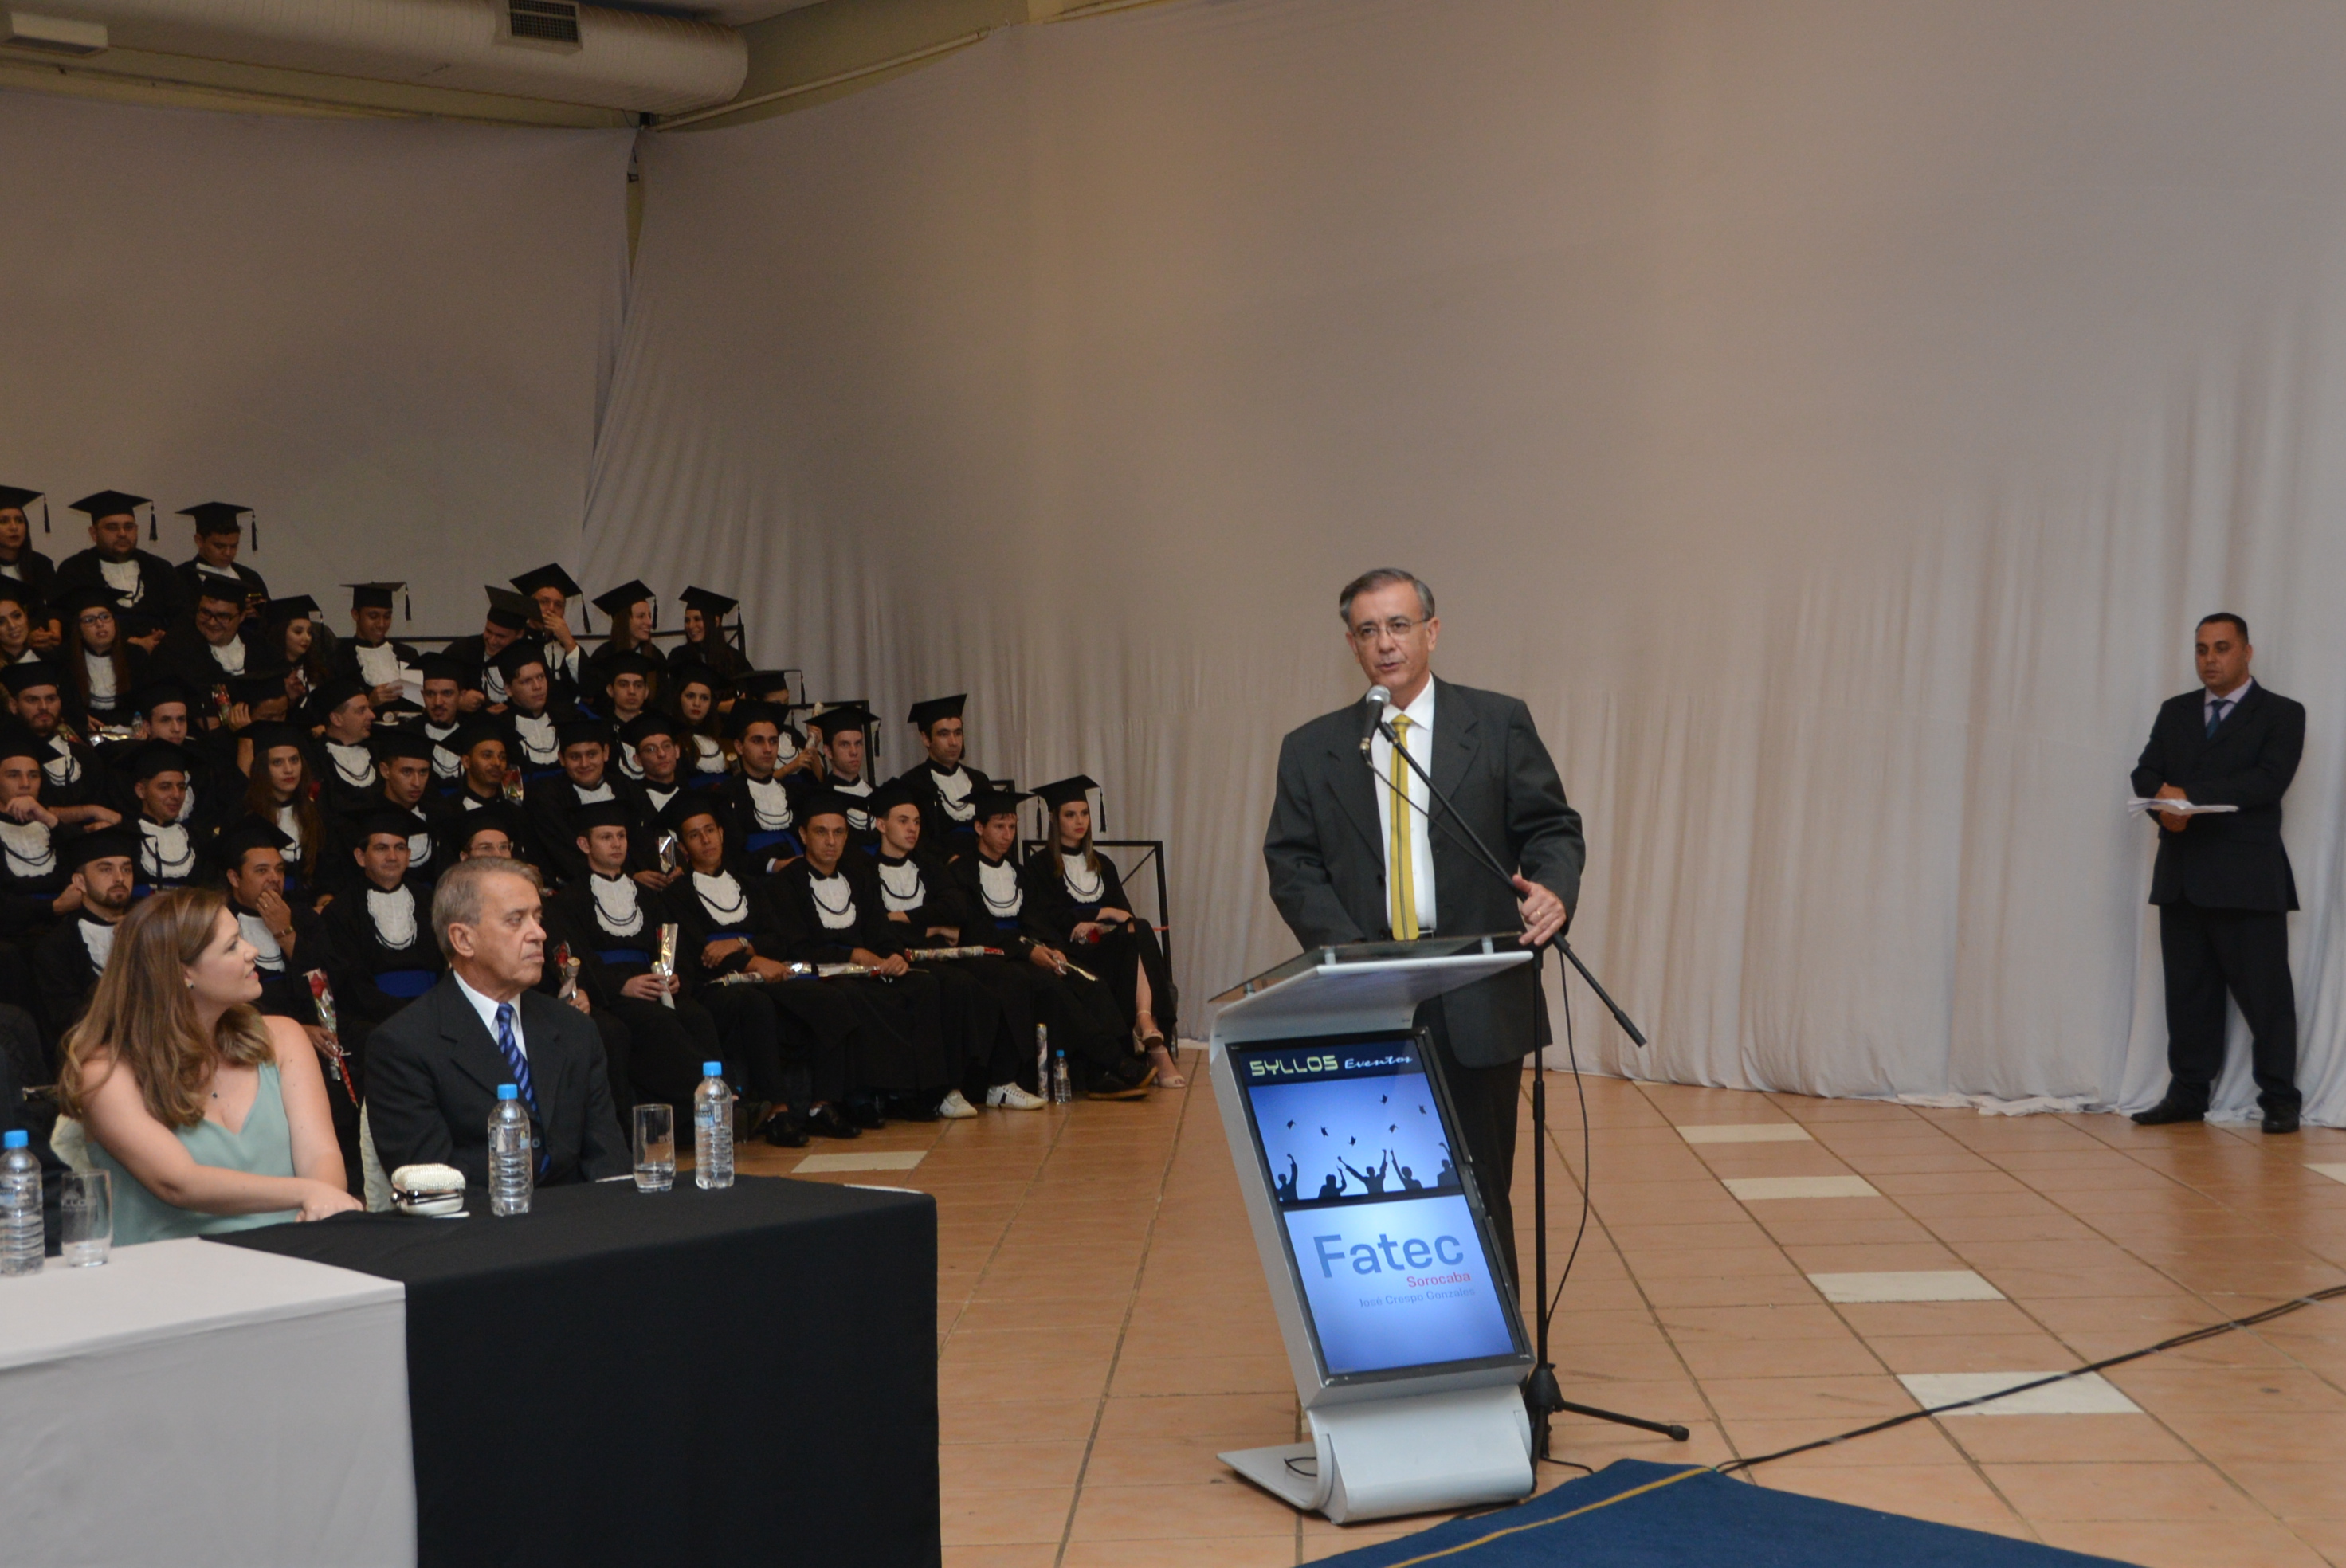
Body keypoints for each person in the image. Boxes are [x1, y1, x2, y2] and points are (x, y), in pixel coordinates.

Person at [1263, 567, 1583, 1287]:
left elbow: (1551, 829)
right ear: (1351, 644)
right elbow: (1292, 863)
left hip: (1478, 990)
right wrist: (1356, 957)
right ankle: (1403, 1334)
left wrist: (1553, 890)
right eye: (1369, 630)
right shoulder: (1312, 748)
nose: (1386, 643)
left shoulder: (1496, 723)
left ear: (1432, 633)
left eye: (1400, 626)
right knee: (1378, 1183)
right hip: (1368, 994)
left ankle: (1494, 1344)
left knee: (1480, 1187)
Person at [59, 887, 358, 1244]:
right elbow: (179, 1183)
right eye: (232, 946)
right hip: (170, 1269)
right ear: (183, 972)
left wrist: (320, 1209)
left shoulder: (283, 1038)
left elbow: (321, 1155)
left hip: (293, 1250)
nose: (253, 951)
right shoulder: (104, 1073)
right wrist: (308, 1193)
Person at [2129, 613, 2305, 1134]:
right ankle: (2187, 1094)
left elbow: (2268, 781)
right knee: (2188, 995)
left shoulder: (2282, 713)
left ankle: (2280, 1098)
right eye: (2202, 649)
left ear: (2247, 652)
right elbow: (2146, 770)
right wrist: (2165, 809)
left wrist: (2190, 799)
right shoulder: (2176, 711)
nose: (2210, 659)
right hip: (2182, 874)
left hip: (2247, 879)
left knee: (2266, 997)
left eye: (2222, 648)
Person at [363, 855, 630, 1194]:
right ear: (463, 940)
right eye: (516, 921)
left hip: (580, 1216)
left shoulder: (575, 1028)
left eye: (537, 917)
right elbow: (432, 1183)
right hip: (476, 1221)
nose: (539, 933)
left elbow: (608, 1159)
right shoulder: (403, 1044)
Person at [545, 800, 788, 1134]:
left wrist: (672, 975)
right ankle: (721, 1103)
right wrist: (621, 985)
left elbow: (668, 942)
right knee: (656, 1020)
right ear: (585, 844)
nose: (616, 844)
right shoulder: (568, 900)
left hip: (654, 983)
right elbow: (573, 957)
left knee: (696, 1015)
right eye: (606, 837)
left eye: (621, 836)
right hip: (612, 992)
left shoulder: (648, 897)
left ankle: (719, 1102)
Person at [771, 790, 963, 1125]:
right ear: (803, 834)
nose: (831, 841)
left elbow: (879, 930)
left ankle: (919, 1094)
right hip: (816, 970)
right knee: (855, 996)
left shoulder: (859, 875)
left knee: (923, 985)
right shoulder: (786, 883)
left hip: (865, 967)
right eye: (821, 832)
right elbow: (794, 946)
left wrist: (894, 956)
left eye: (839, 832)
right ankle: (861, 1096)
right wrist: (852, 954)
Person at [948, 786, 1144, 1097]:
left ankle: (1103, 1071)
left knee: (1089, 982)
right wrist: (1029, 951)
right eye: (999, 827)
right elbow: (975, 928)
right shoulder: (961, 872)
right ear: (979, 828)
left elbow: (1034, 917)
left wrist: (1053, 949)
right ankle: (1116, 1063)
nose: (1008, 835)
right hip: (993, 955)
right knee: (1053, 988)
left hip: (1028, 947)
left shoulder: (1018, 872)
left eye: (1012, 827)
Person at [870, 778, 1046, 1111]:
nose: (912, 829)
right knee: (959, 986)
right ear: (881, 825)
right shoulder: (866, 870)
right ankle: (947, 1090)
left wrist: (906, 918)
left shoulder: (929, 865)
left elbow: (956, 908)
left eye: (917, 822)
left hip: (946, 952)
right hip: (902, 956)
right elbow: (875, 923)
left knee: (1008, 976)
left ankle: (1001, 1083)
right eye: (903, 821)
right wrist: (930, 928)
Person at [1024, 775, 1185, 1090]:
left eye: (1084, 814)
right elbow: (1051, 918)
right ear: (1054, 819)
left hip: (1105, 948)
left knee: (1139, 928)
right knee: (1133, 932)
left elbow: (1125, 916)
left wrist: (1099, 922)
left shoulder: (1102, 864)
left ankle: (1145, 1019)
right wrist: (1101, 913)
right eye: (1070, 815)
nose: (1080, 822)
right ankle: (1155, 1047)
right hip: (1071, 954)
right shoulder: (1039, 866)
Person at [34, 829, 140, 1049]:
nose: (120, 878)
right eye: (106, 869)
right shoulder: (56, 947)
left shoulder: (150, 930)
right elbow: (69, 1024)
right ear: (80, 882)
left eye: (126, 869)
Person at [53, 491, 178, 646]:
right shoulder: (75, 569)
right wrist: (132, 643)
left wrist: (164, 638)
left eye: (129, 527)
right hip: (102, 654)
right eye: (112, 528)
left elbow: (181, 615)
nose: (122, 534)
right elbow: (69, 621)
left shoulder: (160, 568)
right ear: (94, 533)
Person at [234, 725, 330, 898]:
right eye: (277, 762)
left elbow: (329, 869)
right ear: (262, 768)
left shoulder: (316, 810)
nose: (289, 769)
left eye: (294, 760)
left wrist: (325, 898)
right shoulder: (246, 816)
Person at [892, 695, 996, 853]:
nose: (953, 742)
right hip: (936, 863)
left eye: (958, 733)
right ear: (926, 739)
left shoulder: (979, 781)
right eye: (944, 734)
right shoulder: (912, 783)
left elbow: (995, 831)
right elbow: (915, 840)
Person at [717, 700, 806, 871]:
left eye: (773, 741)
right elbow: (731, 855)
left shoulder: (792, 792)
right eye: (758, 741)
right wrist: (773, 865)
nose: (768, 749)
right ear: (739, 746)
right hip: (755, 880)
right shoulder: (727, 795)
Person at [124, 741, 210, 892]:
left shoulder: (196, 838)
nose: (176, 795)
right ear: (141, 791)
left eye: (181, 787)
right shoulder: (125, 837)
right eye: (165, 787)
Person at [4, 663, 96, 806]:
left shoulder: (83, 755)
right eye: (32, 700)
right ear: (13, 706)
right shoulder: (6, 757)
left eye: (51, 699)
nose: (44, 707)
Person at [58, 586, 145, 731]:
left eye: (105, 617)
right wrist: (78, 718)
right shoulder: (66, 659)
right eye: (89, 620)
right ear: (79, 630)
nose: (100, 624)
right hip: (85, 731)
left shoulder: (136, 656)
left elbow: (144, 702)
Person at [441, 587, 536, 712]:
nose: (492, 641)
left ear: (519, 634)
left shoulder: (532, 657)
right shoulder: (460, 652)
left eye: (501, 636)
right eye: (489, 631)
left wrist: (513, 708)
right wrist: (458, 702)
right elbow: (434, 693)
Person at [333, 582, 422, 714]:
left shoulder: (408, 654)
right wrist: (370, 702)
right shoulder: (341, 656)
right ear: (355, 615)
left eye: (387, 617)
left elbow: (418, 705)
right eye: (373, 616)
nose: (381, 624)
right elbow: (337, 712)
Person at [171, 503, 268, 618]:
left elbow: (273, 623)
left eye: (234, 546)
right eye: (219, 546)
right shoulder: (178, 578)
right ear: (199, 541)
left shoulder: (250, 578)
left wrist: (260, 613)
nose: (228, 553)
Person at [492, 645, 574, 779]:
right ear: (508, 689)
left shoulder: (567, 719)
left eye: (541, 677)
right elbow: (510, 787)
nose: (537, 686)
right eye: (526, 681)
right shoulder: (500, 729)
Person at [807, 704, 880, 842]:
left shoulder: (877, 795)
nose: (854, 752)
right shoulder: (819, 800)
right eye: (845, 744)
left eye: (858, 743)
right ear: (828, 752)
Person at [308, 679, 381, 813]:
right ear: (336, 719)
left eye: (369, 709)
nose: (372, 715)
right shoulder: (315, 758)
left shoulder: (378, 752)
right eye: (361, 710)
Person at [585, 581, 665, 698]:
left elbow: (663, 700)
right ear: (624, 621)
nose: (649, 622)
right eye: (641, 616)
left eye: (649, 616)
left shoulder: (656, 656)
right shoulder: (603, 656)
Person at [0, 485, 61, 637]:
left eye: (19, 521)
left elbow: (54, 606)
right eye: (4, 521)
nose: (14, 527)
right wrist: (25, 637)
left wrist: (54, 632)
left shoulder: (41, 564)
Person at [672, 586, 749, 686]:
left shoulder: (734, 659)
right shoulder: (679, 657)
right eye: (687, 620)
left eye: (697, 619)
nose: (690, 626)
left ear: (716, 622)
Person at [415, 654, 466, 782]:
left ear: (461, 696)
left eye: (447, 693)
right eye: (430, 694)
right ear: (422, 695)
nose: (438, 702)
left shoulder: (474, 733)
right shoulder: (408, 735)